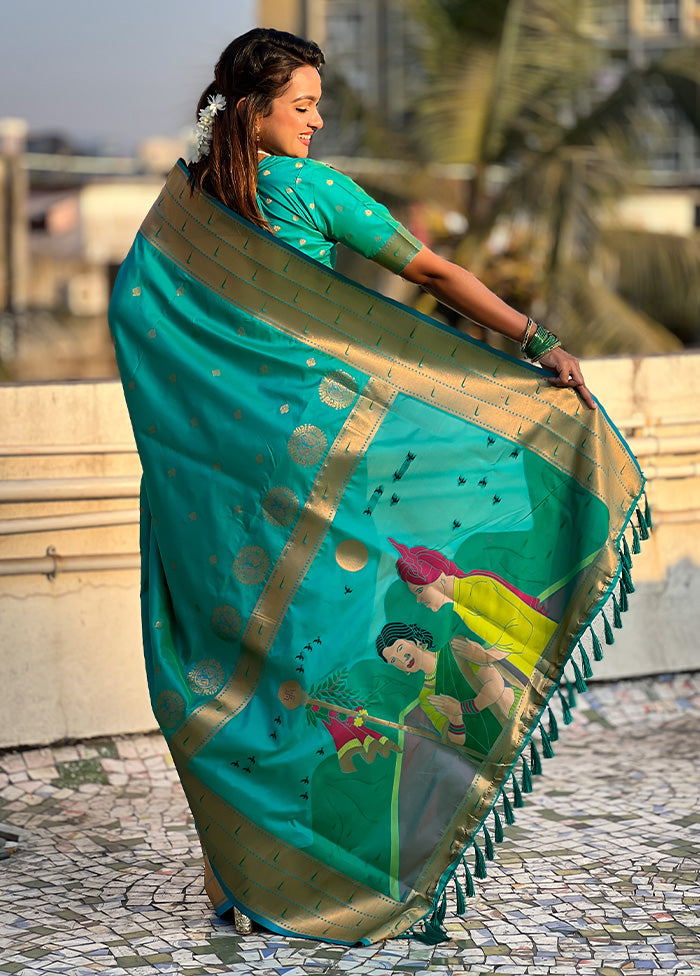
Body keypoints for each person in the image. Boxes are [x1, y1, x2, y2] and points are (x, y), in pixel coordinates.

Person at [108, 28, 645, 946]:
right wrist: (535, 342)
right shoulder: (308, 189)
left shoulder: (186, 204)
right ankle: (316, 873)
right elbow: (428, 270)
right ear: (256, 109)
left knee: (229, 660)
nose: (318, 120)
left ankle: (234, 873)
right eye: (304, 104)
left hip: (211, 480)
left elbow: (137, 311)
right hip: (309, 474)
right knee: (308, 655)